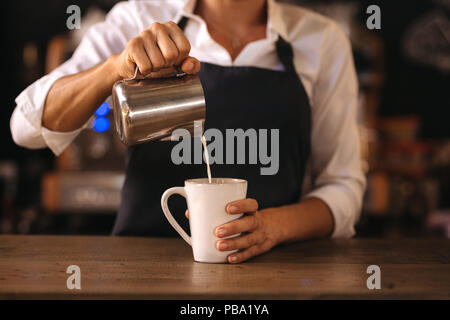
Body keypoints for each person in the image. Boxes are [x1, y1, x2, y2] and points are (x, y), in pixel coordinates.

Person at [10, 0, 366, 263]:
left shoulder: (321, 40)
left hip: (273, 273)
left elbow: (343, 186)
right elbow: (26, 127)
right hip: (138, 272)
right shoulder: (138, 19)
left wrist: (275, 227)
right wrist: (114, 70)